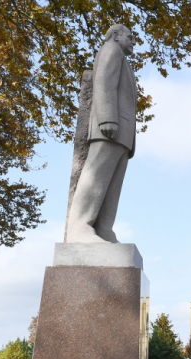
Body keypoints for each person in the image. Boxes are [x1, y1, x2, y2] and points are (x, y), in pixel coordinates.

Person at [67, 24, 138, 244]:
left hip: (122, 133)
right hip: (110, 128)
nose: (134, 41)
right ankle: (79, 228)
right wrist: (108, 118)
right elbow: (104, 82)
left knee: (112, 183)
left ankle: (103, 229)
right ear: (116, 36)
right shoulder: (111, 50)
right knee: (96, 176)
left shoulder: (122, 58)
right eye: (130, 36)